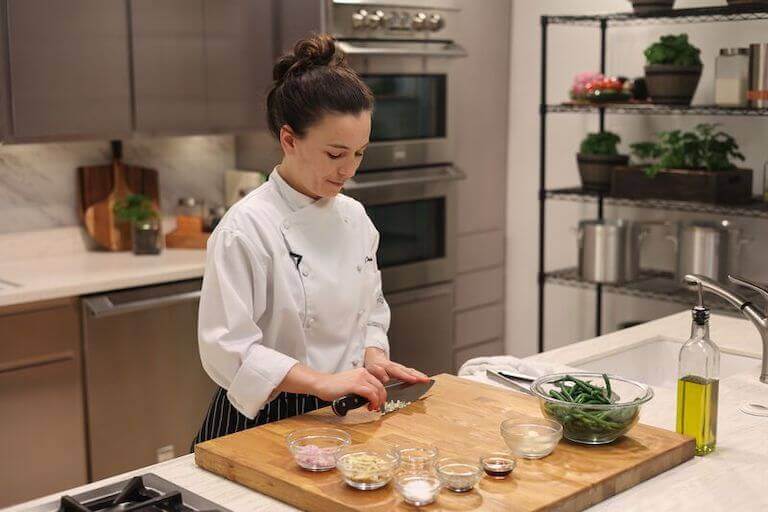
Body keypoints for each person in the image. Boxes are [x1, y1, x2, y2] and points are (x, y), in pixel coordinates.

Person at [193, 34, 430, 445]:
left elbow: (371, 308)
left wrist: (373, 358)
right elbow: (227, 348)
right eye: (335, 155)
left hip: (340, 413)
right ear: (289, 139)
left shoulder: (354, 217)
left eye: (360, 153)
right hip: (263, 420)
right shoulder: (245, 228)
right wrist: (320, 382)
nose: (348, 170)